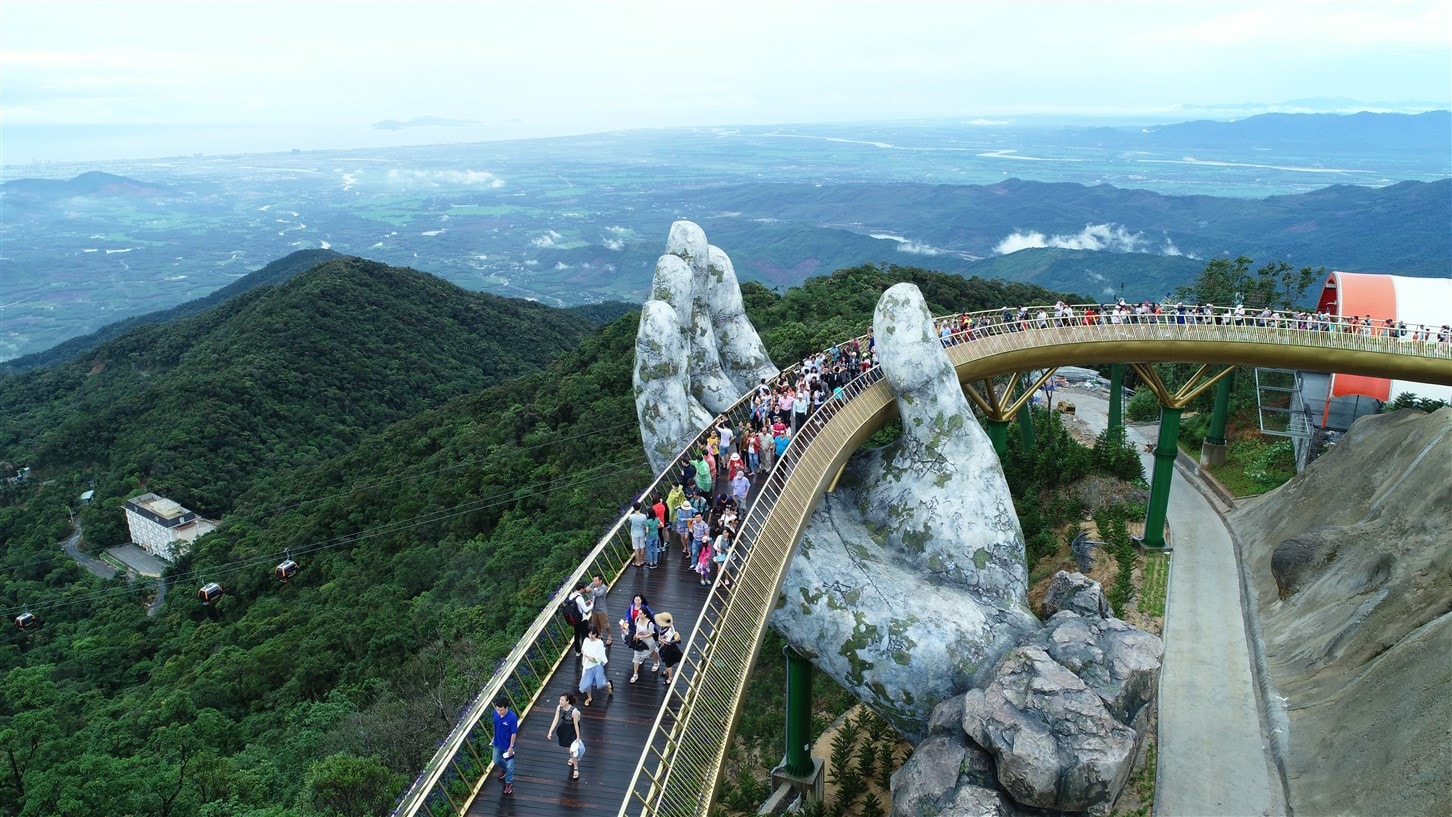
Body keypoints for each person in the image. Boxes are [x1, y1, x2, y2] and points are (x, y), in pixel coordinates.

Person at [545, 693, 584, 780]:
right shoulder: (559, 707)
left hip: (572, 729)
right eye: (560, 700)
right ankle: (572, 757)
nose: (560, 702)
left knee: (573, 750)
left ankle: (576, 768)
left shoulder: (574, 711)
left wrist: (578, 736)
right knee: (569, 747)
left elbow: (576, 724)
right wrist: (550, 731)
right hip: (564, 729)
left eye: (562, 700)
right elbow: (556, 719)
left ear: (567, 701)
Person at [491, 695, 519, 795]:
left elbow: (513, 733)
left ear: (506, 708)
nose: (499, 712)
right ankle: (505, 769)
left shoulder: (512, 717)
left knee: (510, 765)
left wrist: (511, 747)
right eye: (497, 709)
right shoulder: (495, 713)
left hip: (508, 745)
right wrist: (494, 736)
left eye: (501, 710)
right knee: (496, 759)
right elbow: (495, 725)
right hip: (498, 742)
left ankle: (508, 783)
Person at [621, 606, 657, 683]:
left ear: (645, 615)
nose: (638, 615)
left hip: (648, 642)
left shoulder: (649, 623)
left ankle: (656, 663)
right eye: (638, 613)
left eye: (640, 614)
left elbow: (651, 634)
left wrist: (642, 636)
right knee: (636, 657)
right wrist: (636, 634)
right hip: (639, 641)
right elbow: (637, 628)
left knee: (653, 652)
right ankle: (635, 674)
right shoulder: (637, 619)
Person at [578, 627, 613, 705]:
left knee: (600, 683)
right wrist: (587, 657)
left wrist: (593, 658)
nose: (591, 635)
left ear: (596, 634)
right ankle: (589, 697)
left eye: (593, 634)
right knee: (587, 683)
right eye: (590, 633)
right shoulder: (586, 640)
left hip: (596, 665)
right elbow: (583, 650)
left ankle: (608, 684)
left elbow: (600, 655)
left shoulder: (599, 643)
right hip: (587, 665)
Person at [655, 612, 683, 684]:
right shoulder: (669, 626)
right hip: (666, 646)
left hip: (668, 648)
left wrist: (660, 640)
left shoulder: (667, 633)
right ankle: (666, 671)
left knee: (668, 663)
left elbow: (666, 641)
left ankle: (670, 677)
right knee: (666, 661)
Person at [567, 582, 592, 656]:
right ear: (581, 589)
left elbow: (576, 606)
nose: (584, 589)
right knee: (584, 635)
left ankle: (578, 651)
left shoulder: (571, 595)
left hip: (575, 619)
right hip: (582, 619)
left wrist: (585, 602)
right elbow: (586, 610)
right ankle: (585, 650)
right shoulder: (580, 598)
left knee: (577, 635)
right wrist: (592, 604)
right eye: (583, 588)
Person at [588, 575, 611, 645]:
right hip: (594, 609)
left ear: (600, 581)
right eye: (593, 580)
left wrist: (591, 590)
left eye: (596, 581)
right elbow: (587, 589)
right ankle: (600, 634)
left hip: (601, 609)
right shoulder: (592, 585)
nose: (594, 582)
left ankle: (609, 636)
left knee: (605, 624)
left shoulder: (604, 588)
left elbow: (599, 594)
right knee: (596, 624)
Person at [626, 501, 648, 567]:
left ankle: (637, 562)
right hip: (642, 533)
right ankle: (642, 561)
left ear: (633, 508)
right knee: (642, 547)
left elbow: (629, 521)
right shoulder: (644, 516)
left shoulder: (631, 516)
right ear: (640, 508)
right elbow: (645, 524)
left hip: (634, 533)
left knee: (636, 548)